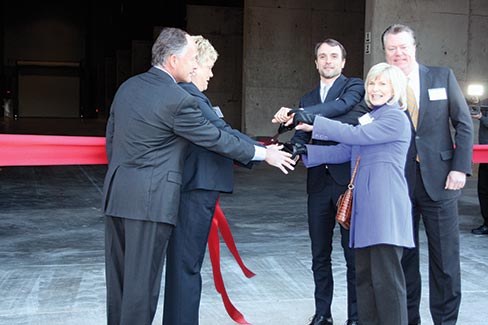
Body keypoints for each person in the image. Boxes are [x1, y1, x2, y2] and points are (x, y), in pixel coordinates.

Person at [102, 27, 295, 325]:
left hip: (117, 197)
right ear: (173, 59)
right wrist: (264, 153)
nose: (195, 65)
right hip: (149, 204)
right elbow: (216, 138)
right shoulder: (176, 100)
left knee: (120, 287)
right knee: (142, 291)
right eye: (192, 59)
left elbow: (112, 140)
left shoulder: (127, 87)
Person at [288, 62, 415, 325]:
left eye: (383, 84)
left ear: (396, 88)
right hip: (365, 209)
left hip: (384, 210)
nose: (375, 88)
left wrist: (314, 121)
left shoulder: (394, 117)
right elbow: (346, 149)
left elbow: (355, 134)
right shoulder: (373, 116)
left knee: (387, 283)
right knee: (366, 280)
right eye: (372, 83)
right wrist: (305, 153)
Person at [162, 35, 262, 325]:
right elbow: (221, 133)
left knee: (185, 266)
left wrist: (262, 149)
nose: (212, 73)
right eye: (209, 66)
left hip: (194, 189)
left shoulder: (191, 95)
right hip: (193, 191)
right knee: (186, 268)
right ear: (194, 66)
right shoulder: (190, 95)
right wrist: (263, 153)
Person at [381, 24, 474, 325]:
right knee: (405, 260)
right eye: (392, 48)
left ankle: (445, 322)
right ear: (385, 52)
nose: (398, 53)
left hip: (443, 181)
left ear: (415, 47)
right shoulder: (382, 85)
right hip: (399, 184)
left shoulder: (441, 76)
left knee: (446, 262)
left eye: (403, 46)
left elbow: (464, 124)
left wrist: (460, 167)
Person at [273, 38, 365, 325]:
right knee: (319, 255)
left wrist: (298, 115)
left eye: (334, 56)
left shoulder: (354, 88)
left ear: (343, 61)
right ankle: (323, 314)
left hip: (346, 182)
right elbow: (301, 136)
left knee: (352, 256)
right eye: (322, 56)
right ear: (315, 62)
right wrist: (285, 149)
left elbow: (341, 109)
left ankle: (355, 317)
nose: (328, 61)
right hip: (317, 184)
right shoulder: (308, 97)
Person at [471, 100, 488, 235]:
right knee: (483, 190)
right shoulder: (485, 102)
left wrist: (482, 118)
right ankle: (486, 223)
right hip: (485, 154)